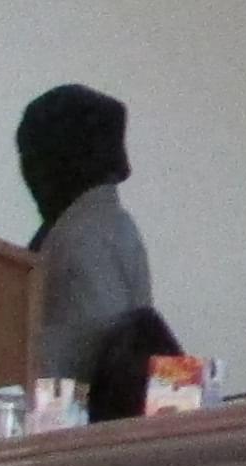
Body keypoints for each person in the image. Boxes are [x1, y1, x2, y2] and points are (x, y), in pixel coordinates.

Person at [16, 84, 159, 395]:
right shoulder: (102, 224)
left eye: (31, 157)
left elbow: (94, 359)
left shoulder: (84, 236)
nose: (27, 174)